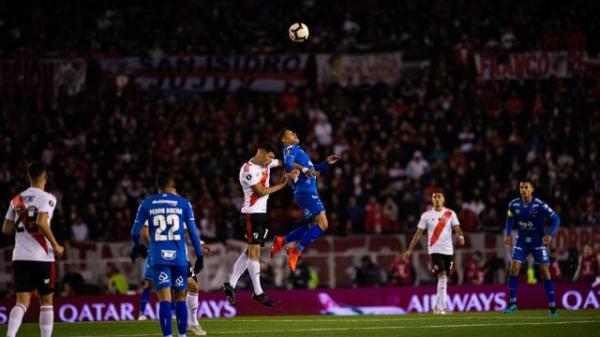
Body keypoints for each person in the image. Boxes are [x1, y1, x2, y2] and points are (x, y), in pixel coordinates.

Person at [130, 170, 205, 337]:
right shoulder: (184, 203)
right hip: (179, 258)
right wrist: (199, 255)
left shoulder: (146, 204)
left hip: (158, 257)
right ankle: (183, 335)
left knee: (164, 298)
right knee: (180, 296)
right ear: (172, 185)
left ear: (158, 186)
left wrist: (136, 247)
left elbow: (135, 232)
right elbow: (193, 233)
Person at [222, 144, 290, 307]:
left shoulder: (267, 162)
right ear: (261, 153)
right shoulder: (248, 170)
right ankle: (258, 293)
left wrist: (297, 166)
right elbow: (260, 192)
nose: (271, 161)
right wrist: (282, 184)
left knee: (249, 251)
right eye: (269, 157)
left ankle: (230, 285)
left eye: (272, 158)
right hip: (251, 214)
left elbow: (282, 162)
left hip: (261, 214)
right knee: (254, 253)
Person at [2, 161, 65, 337]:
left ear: (28, 177)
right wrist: (56, 245)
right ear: (45, 176)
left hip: (19, 256)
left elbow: (5, 229)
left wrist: (20, 219)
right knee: (46, 302)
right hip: (42, 256)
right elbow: (41, 222)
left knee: (21, 302)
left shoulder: (16, 200)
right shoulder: (48, 198)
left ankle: (10, 335)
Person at [271, 129, 341, 272]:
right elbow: (288, 164)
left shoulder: (296, 149)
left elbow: (312, 170)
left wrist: (326, 163)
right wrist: (304, 170)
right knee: (323, 224)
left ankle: (282, 241)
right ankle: (296, 251)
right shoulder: (289, 149)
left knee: (313, 225)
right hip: (306, 191)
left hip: (306, 191)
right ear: (284, 140)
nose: (295, 134)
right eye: (291, 133)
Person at [137, 224, 208, 336]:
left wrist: (199, 244)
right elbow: (144, 231)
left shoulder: (181, 208)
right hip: (162, 256)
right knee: (156, 287)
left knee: (192, 286)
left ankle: (192, 323)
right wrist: (152, 247)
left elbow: (189, 233)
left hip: (180, 256)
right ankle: (144, 314)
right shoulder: (153, 208)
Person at [503, 179, 560, 317]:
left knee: (544, 271)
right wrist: (508, 233)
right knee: (514, 267)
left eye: (526, 187)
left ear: (531, 189)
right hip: (522, 242)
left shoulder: (539, 204)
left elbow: (556, 219)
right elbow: (509, 218)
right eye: (521, 187)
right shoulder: (514, 204)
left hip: (538, 242)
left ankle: (552, 308)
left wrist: (550, 234)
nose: (523, 190)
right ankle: (512, 303)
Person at [403, 190, 465, 314]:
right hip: (434, 250)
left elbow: (457, 228)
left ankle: (436, 306)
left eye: (439, 196)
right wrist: (409, 249)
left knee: (444, 278)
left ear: (443, 199)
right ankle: (442, 308)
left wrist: (461, 237)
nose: (436, 198)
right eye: (434, 197)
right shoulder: (426, 215)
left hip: (448, 251)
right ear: (432, 200)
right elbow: (418, 233)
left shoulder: (450, 213)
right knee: (441, 275)